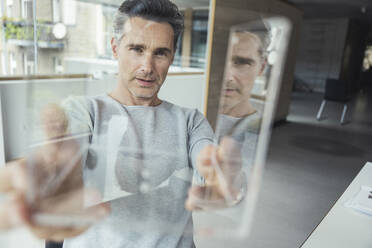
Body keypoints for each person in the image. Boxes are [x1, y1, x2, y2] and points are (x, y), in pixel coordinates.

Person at [0, 0, 244, 247]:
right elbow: (67, 154)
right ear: (115, 48)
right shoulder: (84, 111)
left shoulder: (190, 120)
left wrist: (224, 177)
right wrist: (53, 177)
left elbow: (210, 165)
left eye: (160, 52)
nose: (147, 67)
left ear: (172, 56)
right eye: (137, 49)